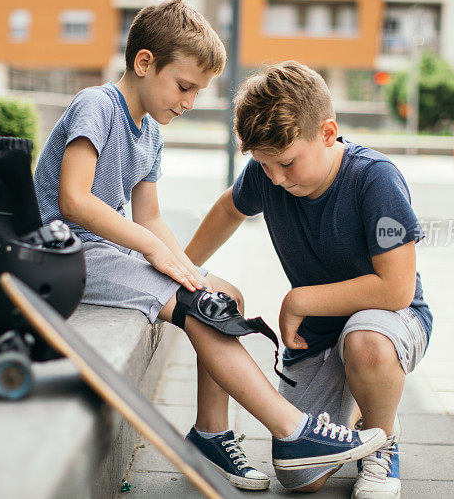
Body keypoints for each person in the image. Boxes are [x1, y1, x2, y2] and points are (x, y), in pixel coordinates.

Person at [33, 2, 386, 491]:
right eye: (184, 86)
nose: (190, 101)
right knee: (204, 305)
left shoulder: (150, 132)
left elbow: (150, 217)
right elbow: (74, 200)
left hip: (105, 253)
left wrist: (182, 265)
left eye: (198, 91)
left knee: (224, 294)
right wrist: (154, 254)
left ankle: (211, 434)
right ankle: (292, 430)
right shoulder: (97, 105)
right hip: (64, 252)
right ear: (143, 63)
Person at [184, 61, 433, 497]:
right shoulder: (270, 174)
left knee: (366, 342)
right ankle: (361, 406)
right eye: (265, 167)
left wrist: (301, 300)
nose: (276, 180)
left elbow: (397, 288)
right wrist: (181, 267)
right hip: (319, 337)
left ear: (327, 133)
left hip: (391, 319)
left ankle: (383, 439)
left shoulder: (375, 179)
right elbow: (228, 209)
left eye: (286, 164)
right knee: (300, 476)